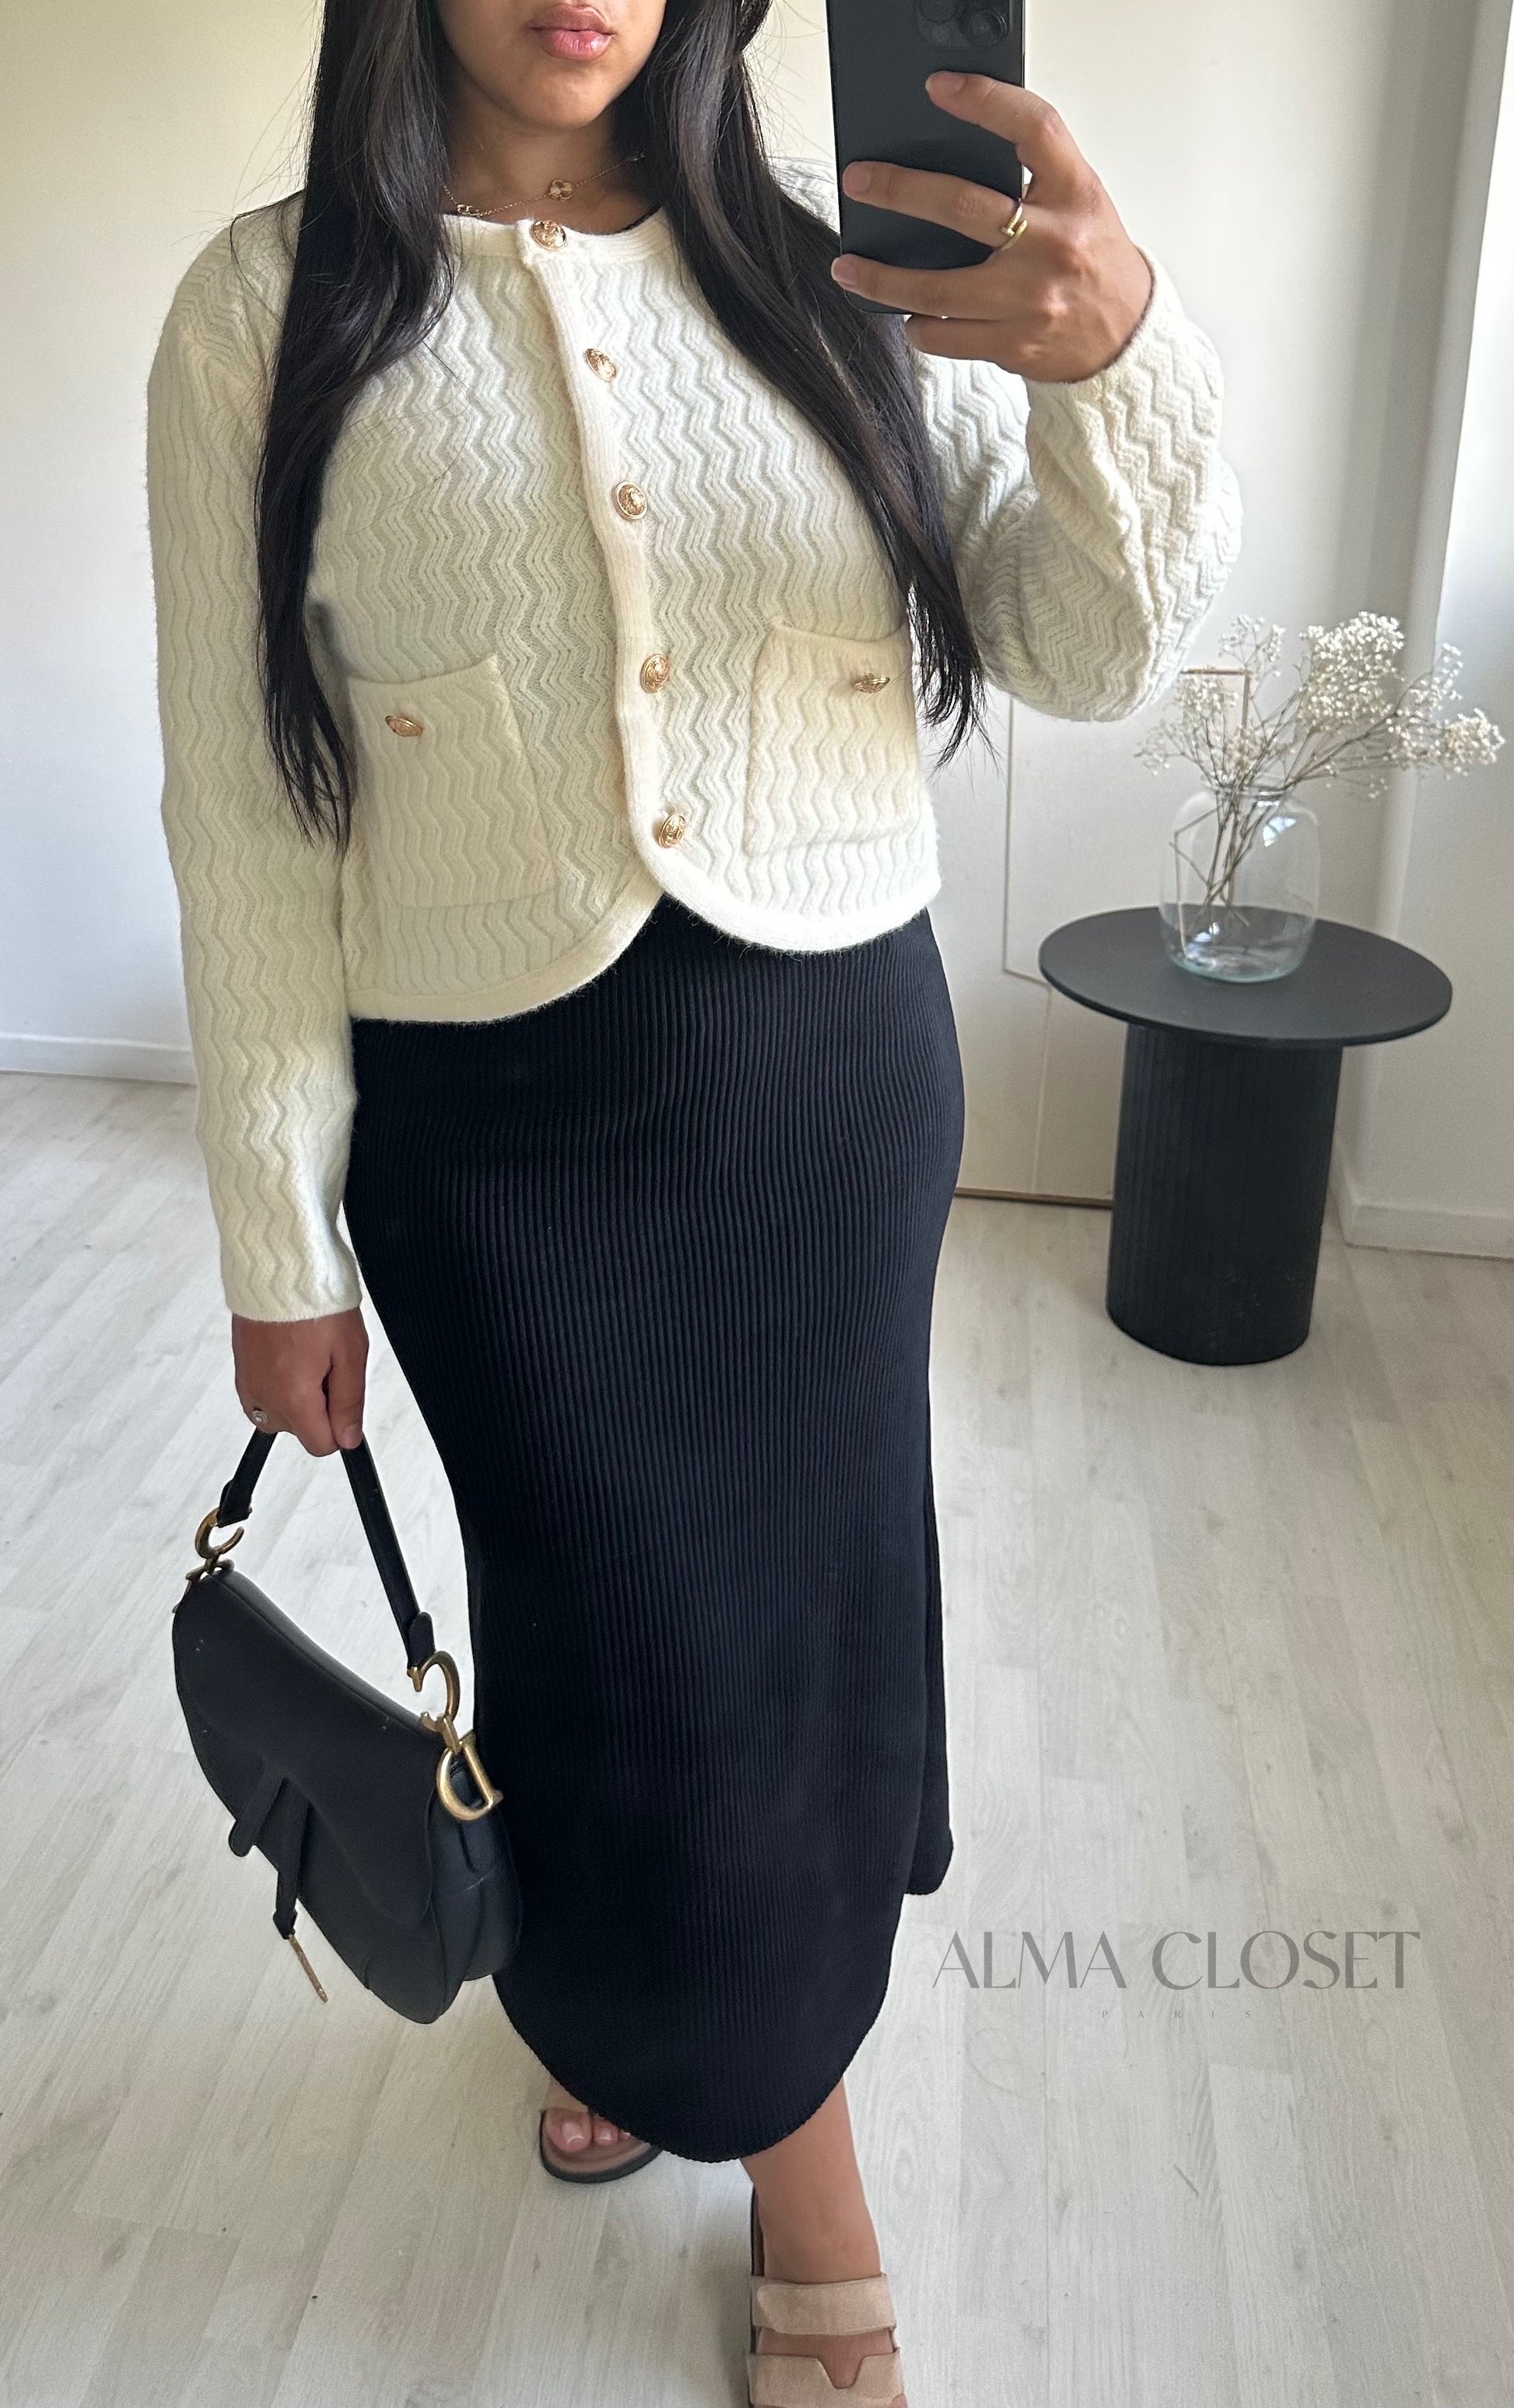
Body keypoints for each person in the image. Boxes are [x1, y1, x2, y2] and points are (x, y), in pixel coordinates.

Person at [145, 3, 1242, 2400]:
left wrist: (1110, 353)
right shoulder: (265, 308)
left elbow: (1085, 648)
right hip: (491, 1142)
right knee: (597, 1644)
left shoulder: (838, 262)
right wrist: (272, 1243)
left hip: (816, 1102)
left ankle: (782, 2134)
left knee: (781, 1643)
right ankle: (649, 2002)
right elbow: (245, 814)